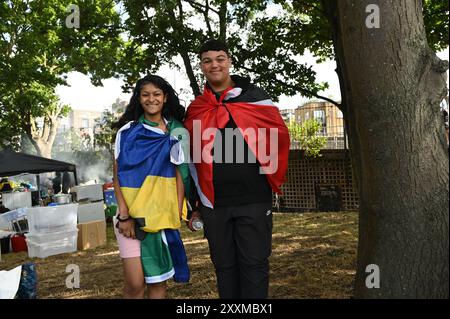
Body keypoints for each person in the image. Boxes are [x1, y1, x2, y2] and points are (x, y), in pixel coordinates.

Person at [184, 39, 290, 299]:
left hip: (253, 199)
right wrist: (194, 203)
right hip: (214, 204)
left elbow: (278, 139)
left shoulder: (255, 99)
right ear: (201, 66)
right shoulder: (197, 109)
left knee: (254, 265)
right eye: (207, 60)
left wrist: (272, 178)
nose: (214, 64)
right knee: (224, 267)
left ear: (229, 62)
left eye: (220, 58)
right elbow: (190, 159)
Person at [111, 74, 191, 299]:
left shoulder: (176, 132)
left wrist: (175, 213)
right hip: (131, 216)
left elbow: (179, 174)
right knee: (135, 284)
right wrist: (124, 216)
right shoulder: (127, 132)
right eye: (145, 94)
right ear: (139, 98)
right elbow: (117, 174)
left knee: (158, 284)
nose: (151, 99)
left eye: (156, 94)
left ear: (165, 97)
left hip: (162, 214)